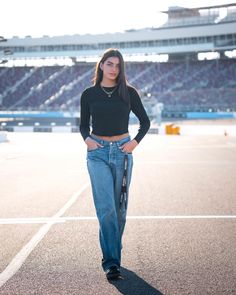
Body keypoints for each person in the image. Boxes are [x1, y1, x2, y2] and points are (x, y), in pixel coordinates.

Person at [79, 48, 150, 280]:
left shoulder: (129, 93)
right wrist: (87, 139)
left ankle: (113, 255)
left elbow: (145, 122)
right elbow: (83, 125)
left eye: (118, 65)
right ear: (101, 65)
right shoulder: (89, 94)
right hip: (97, 153)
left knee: (120, 210)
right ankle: (111, 262)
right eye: (109, 64)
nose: (113, 69)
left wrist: (134, 143)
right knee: (106, 208)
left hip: (122, 152)